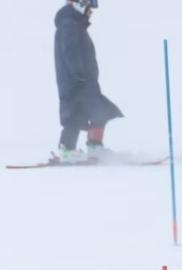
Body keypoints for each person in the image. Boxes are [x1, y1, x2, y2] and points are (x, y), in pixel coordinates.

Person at [53, 0, 123, 162]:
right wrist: (79, 74)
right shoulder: (69, 24)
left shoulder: (75, 24)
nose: (91, 12)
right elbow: (70, 51)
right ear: (79, 4)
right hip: (75, 81)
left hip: (84, 81)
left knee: (101, 110)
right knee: (74, 115)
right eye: (89, 8)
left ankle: (95, 147)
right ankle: (67, 150)